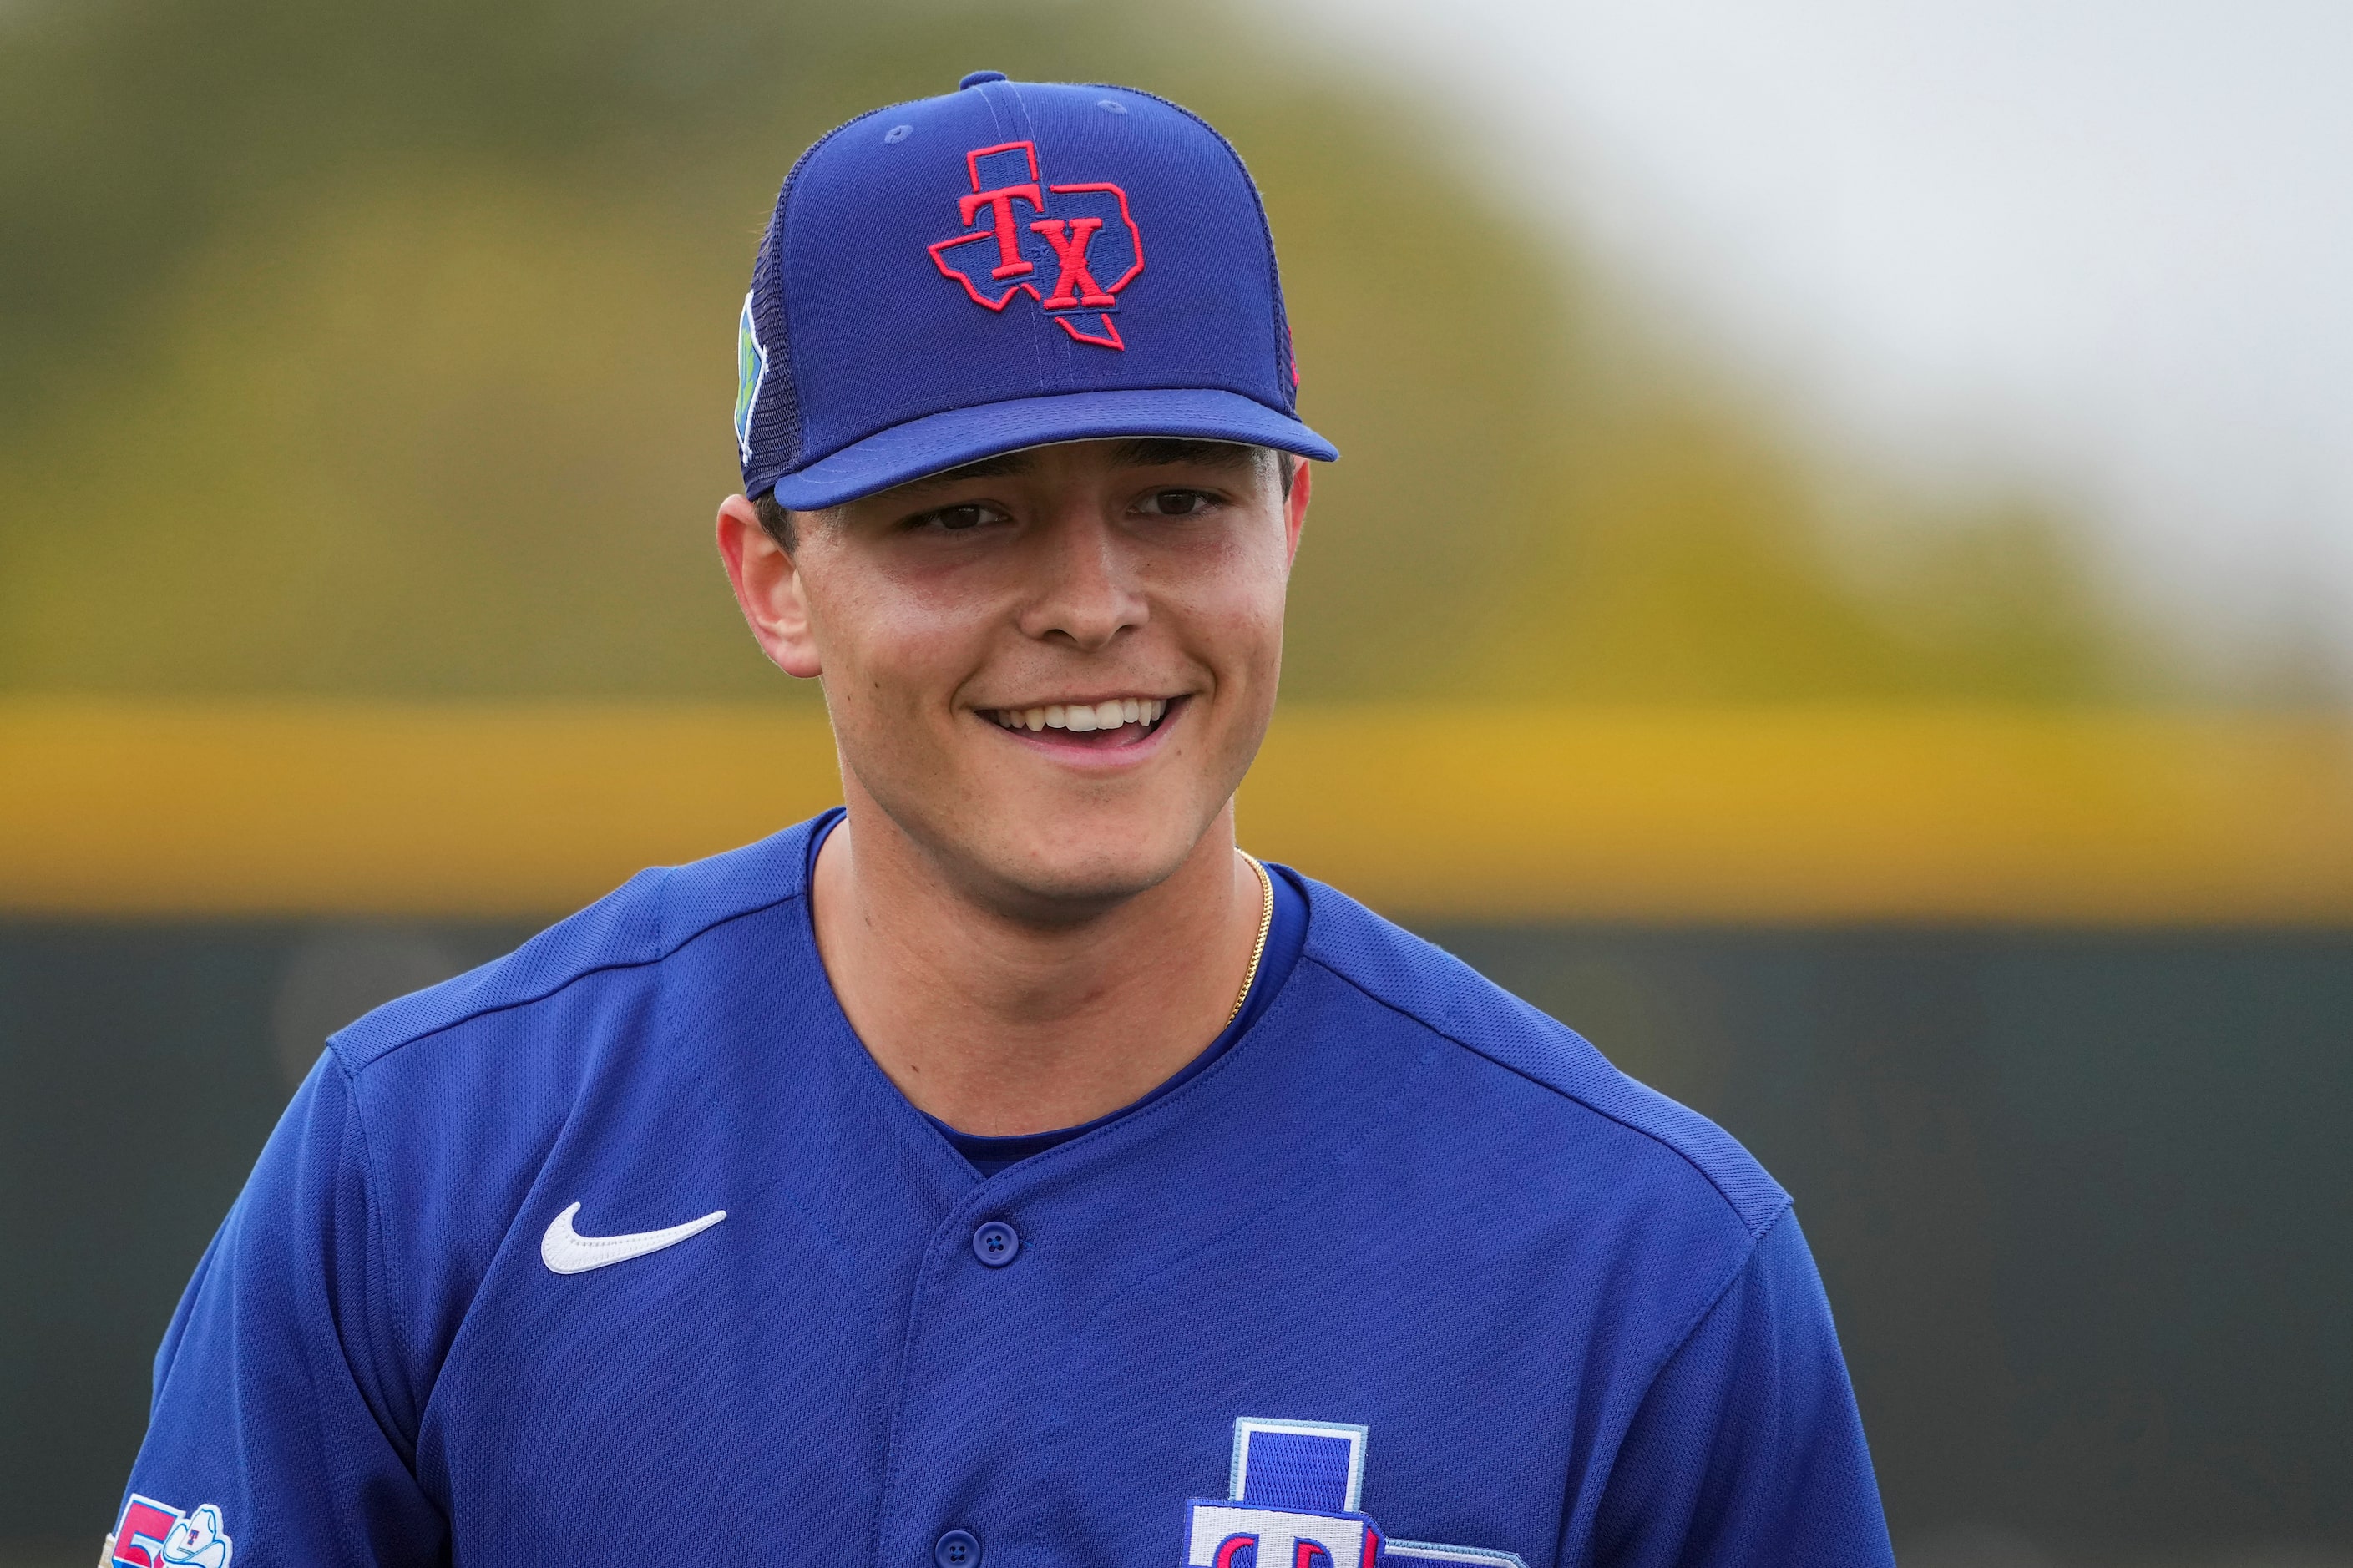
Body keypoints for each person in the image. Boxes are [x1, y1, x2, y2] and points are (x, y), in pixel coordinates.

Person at [106, 72, 1895, 1568]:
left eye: (1178, 497)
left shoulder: (1634, 1254)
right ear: (775, 582)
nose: (1092, 600)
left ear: (1289, 530)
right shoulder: (426, 1157)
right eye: (963, 516)